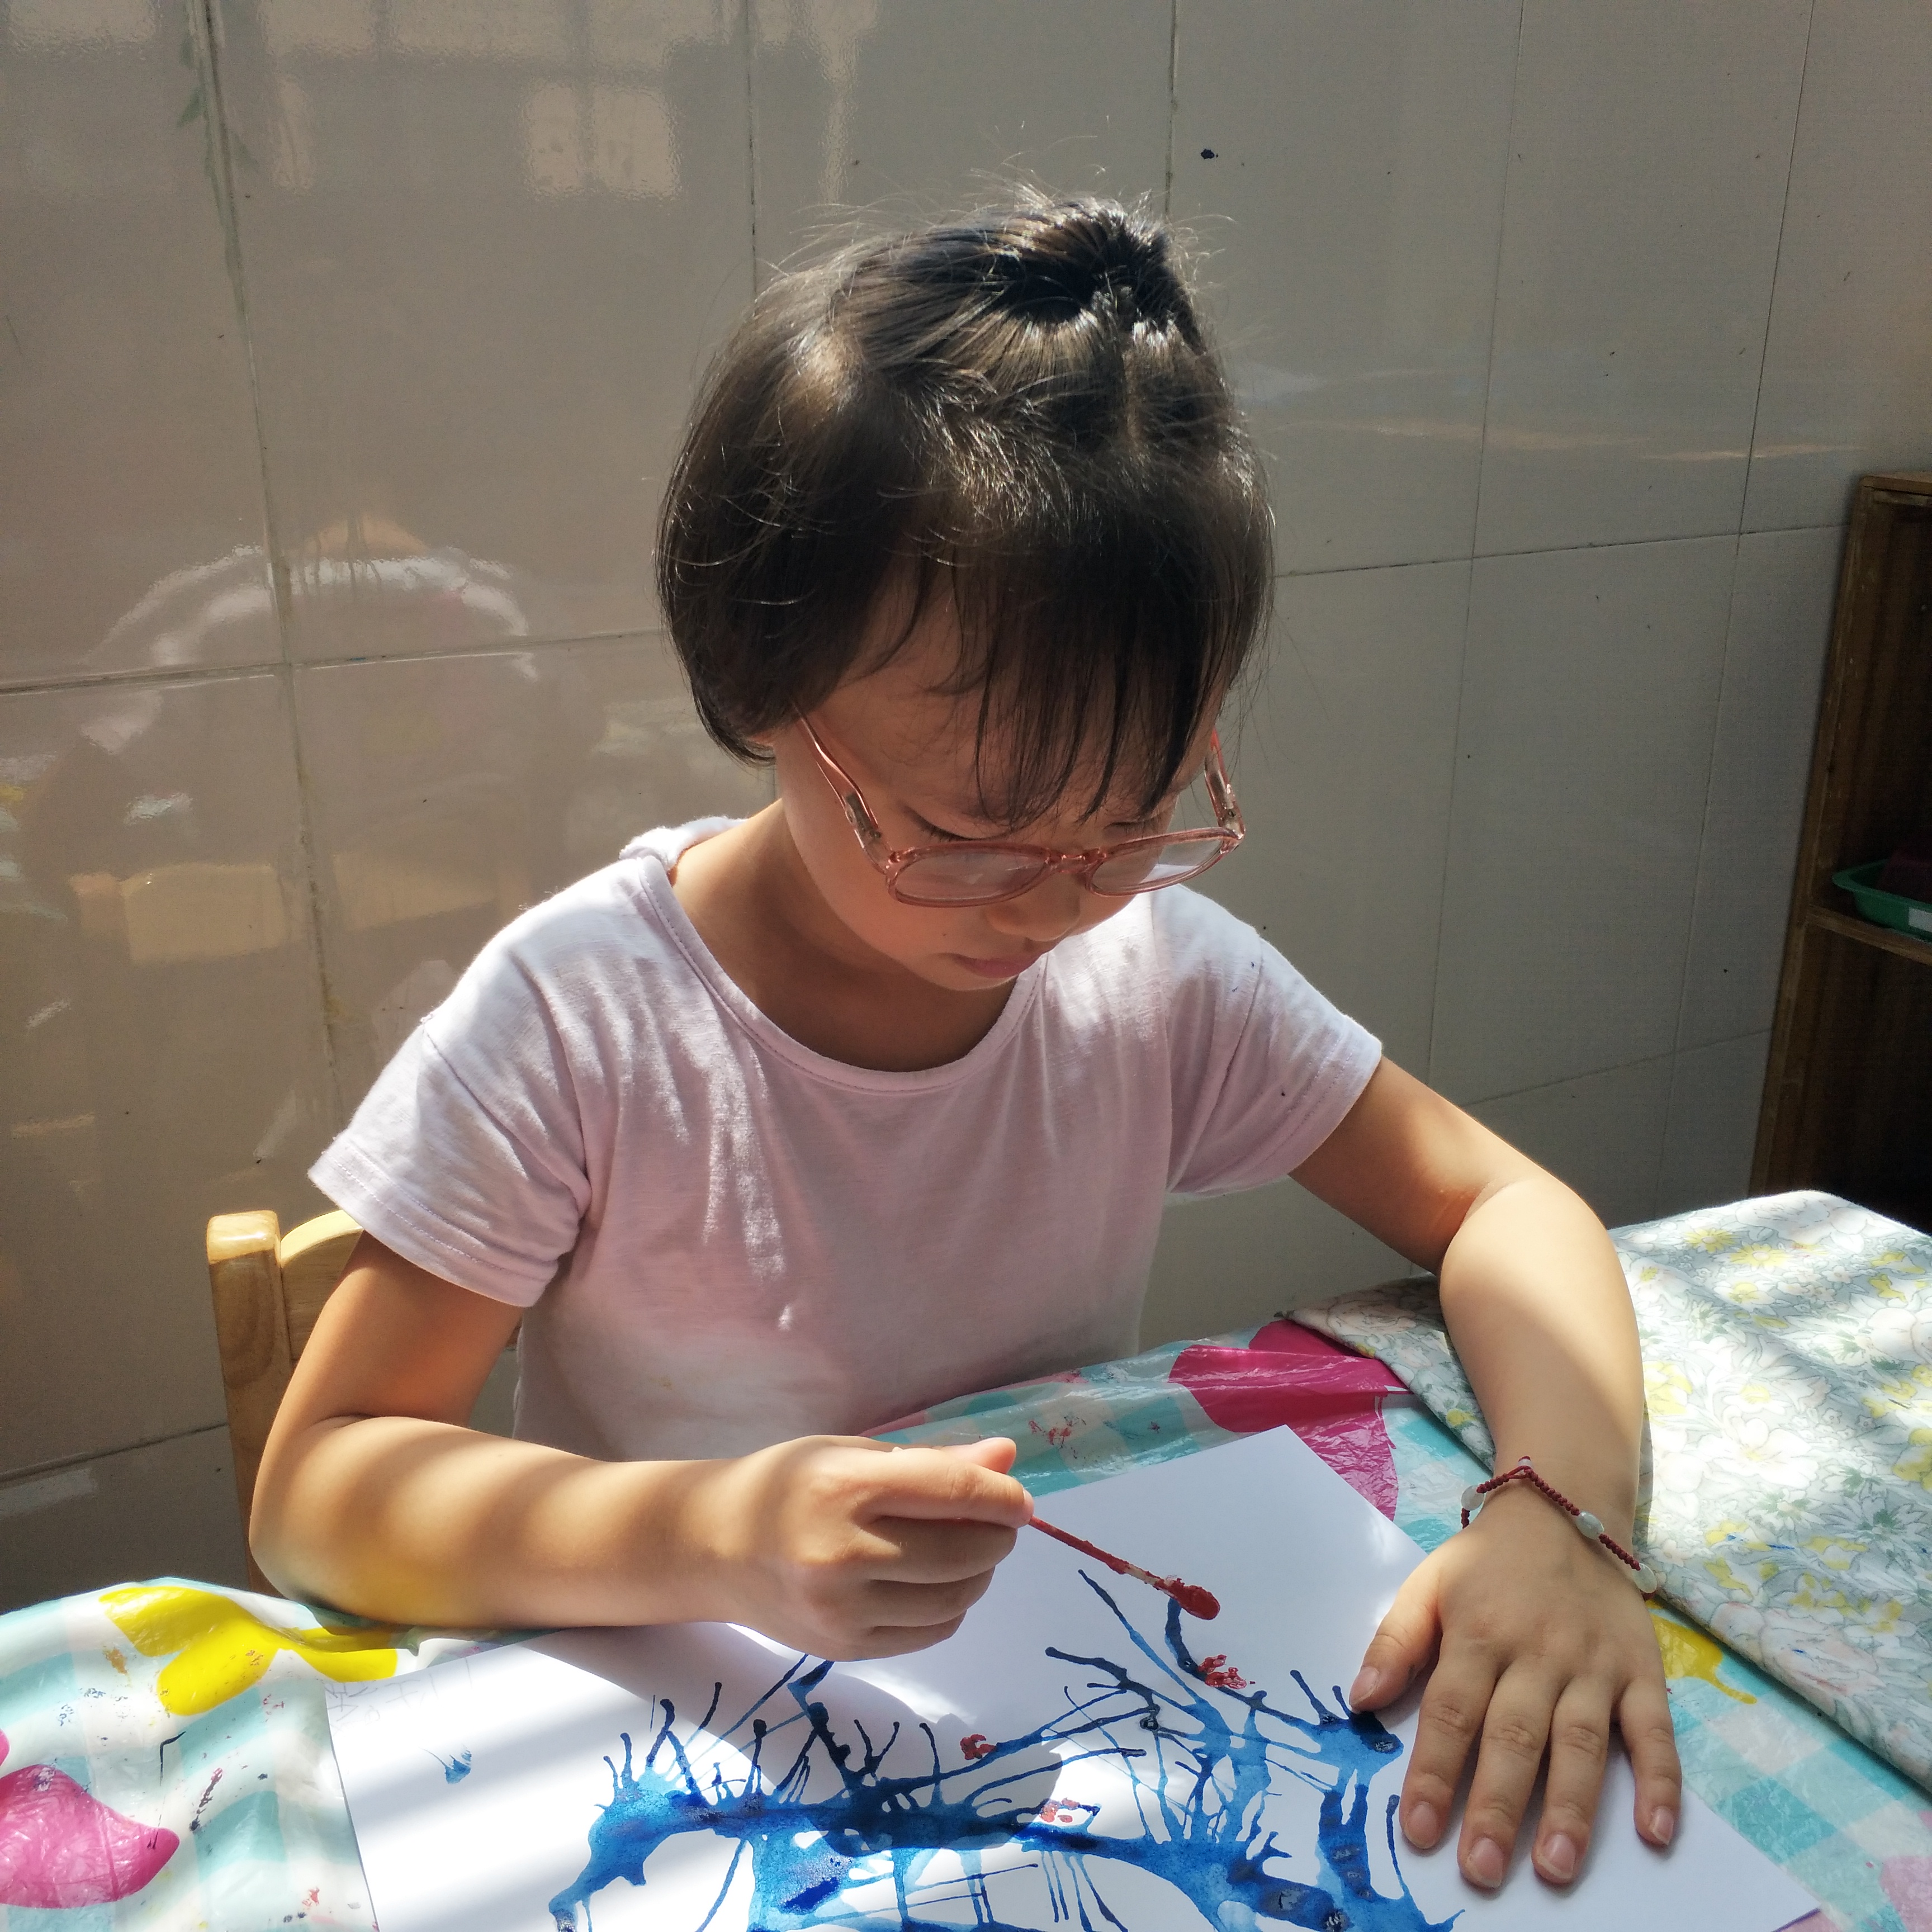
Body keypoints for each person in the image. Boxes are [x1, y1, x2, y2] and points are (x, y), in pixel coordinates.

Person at [253, 199, 1679, 1895]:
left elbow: (1506, 1207)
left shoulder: (1150, 977)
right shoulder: (584, 1021)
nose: (1058, 897)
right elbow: (317, 1492)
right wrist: (709, 1530)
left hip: (1054, 1735)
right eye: (972, 828)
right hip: (681, 1760)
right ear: (762, 683)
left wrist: (1562, 1515)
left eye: (1136, 815)